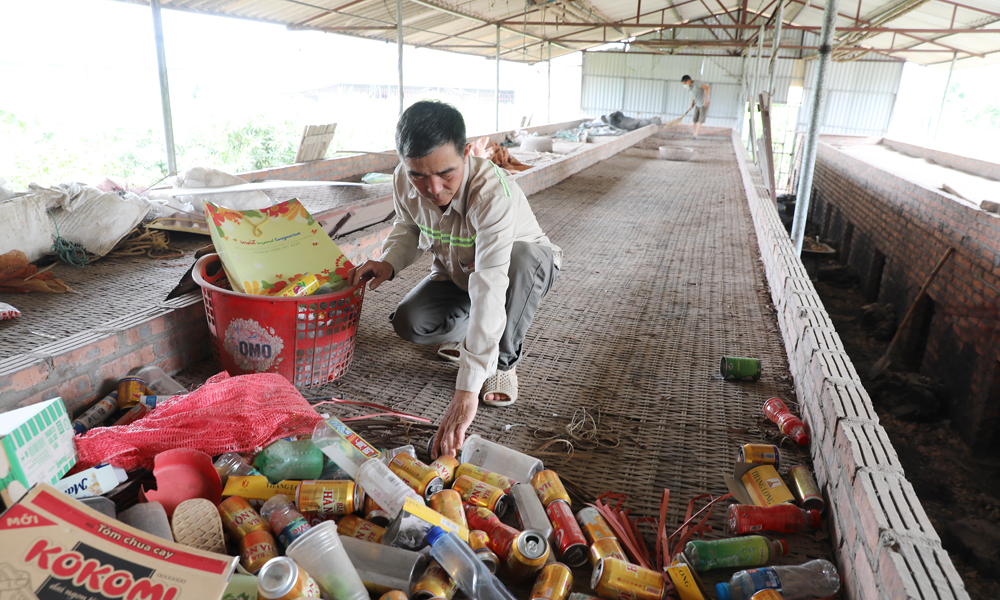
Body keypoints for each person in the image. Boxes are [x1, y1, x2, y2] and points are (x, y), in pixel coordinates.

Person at [348, 100, 561, 459]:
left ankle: (503, 362)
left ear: (465, 153)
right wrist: (389, 263)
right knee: (410, 323)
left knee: (523, 258)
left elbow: (491, 285)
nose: (433, 188)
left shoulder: (492, 195)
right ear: (403, 163)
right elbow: (408, 227)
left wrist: (466, 391)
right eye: (419, 175)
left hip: (513, 271)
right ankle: (478, 340)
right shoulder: (405, 179)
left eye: (445, 173)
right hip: (458, 275)